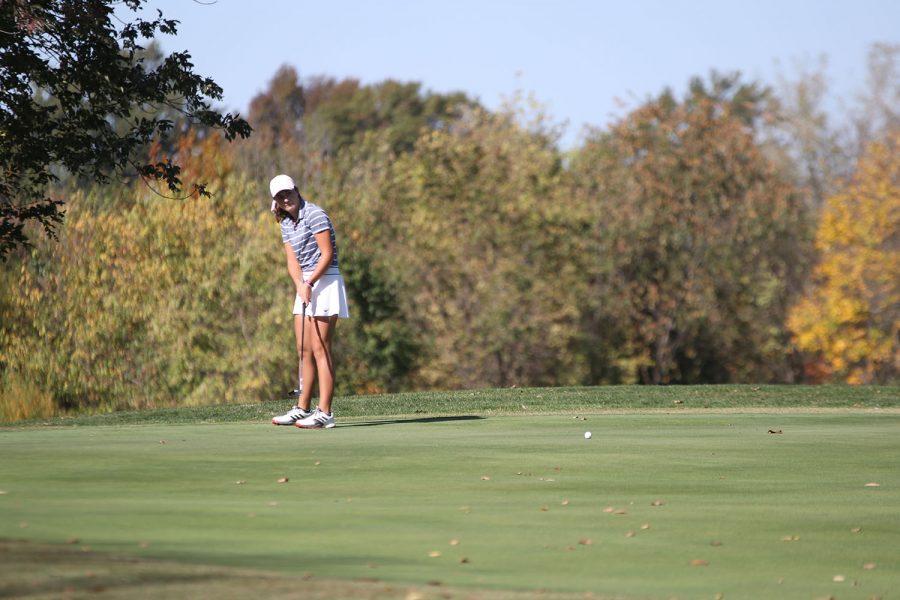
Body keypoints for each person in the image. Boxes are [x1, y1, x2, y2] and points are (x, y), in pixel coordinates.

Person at [269, 174, 350, 429]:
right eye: (279, 197)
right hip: (304, 283)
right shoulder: (285, 223)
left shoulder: (315, 214)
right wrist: (300, 285)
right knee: (303, 349)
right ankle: (302, 407)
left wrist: (309, 282)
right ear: (275, 201)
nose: (285, 199)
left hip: (324, 280)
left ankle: (325, 413)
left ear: (297, 191)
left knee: (320, 348)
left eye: (288, 193)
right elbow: (292, 261)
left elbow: (327, 254)